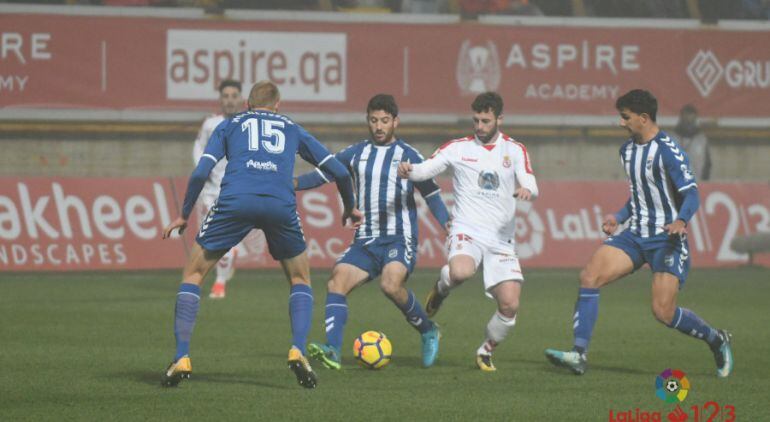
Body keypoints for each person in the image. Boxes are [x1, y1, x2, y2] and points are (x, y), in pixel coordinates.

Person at [160, 80, 362, 389]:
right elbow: (340, 171)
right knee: (300, 279)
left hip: (234, 202)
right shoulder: (291, 127)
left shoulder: (229, 125)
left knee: (194, 274)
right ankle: (297, 348)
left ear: (247, 104)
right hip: (279, 205)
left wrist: (184, 214)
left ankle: (182, 356)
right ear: (278, 105)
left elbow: (201, 172)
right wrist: (350, 208)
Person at [544, 89, 733, 377]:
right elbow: (641, 196)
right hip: (634, 234)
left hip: (666, 240)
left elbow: (691, 193)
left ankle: (715, 339)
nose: (621, 123)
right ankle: (579, 354)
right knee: (589, 276)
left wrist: (681, 221)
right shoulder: (627, 150)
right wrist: (618, 217)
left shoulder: (669, 150)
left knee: (663, 311)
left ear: (644, 118)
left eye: (625, 117)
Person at [294, 94, 449, 369]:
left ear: (395, 122)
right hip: (366, 239)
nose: (379, 126)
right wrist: (292, 183)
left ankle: (427, 330)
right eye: (374, 120)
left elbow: (432, 193)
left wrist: (447, 224)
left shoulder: (409, 156)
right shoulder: (356, 153)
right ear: (368, 121)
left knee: (390, 284)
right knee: (337, 280)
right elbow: (324, 174)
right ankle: (332, 349)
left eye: (385, 121)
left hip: (400, 238)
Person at [398, 91, 539, 371]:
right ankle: (440, 289)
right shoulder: (458, 148)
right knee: (461, 271)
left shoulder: (514, 150)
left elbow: (532, 185)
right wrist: (409, 170)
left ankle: (486, 350)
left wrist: (526, 190)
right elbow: (426, 169)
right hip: (467, 229)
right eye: (476, 120)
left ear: (499, 119)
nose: (479, 127)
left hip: (501, 239)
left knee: (510, 305)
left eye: (485, 121)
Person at [192, 79, 243, 299]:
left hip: (238, 191)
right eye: (226, 96)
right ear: (220, 99)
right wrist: (202, 170)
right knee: (209, 238)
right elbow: (198, 148)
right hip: (212, 190)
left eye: (234, 96)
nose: (230, 100)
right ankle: (221, 267)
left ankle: (220, 283)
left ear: (240, 99)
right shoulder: (210, 124)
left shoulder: (248, 123)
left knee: (226, 238)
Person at [674, 104, 711, 181]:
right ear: (681, 119)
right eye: (686, 120)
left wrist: (704, 183)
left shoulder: (702, 140)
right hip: (676, 184)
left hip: (697, 183)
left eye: (691, 120)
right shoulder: (672, 139)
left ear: (695, 120)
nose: (688, 123)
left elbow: (707, 164)